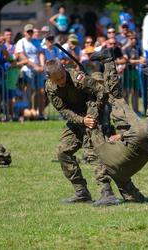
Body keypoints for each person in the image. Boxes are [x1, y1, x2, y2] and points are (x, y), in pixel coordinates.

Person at [89, 49, 148, 206]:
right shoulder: (119, 170)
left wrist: (121, 136)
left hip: (142, 135)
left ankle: (108, 60)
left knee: (116, 97)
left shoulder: (114, 166)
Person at [45, 58, 106, 203]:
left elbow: (101, 92)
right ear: (50, 78)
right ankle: (81, 192)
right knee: (63, 152)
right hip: (76, 120)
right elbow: (63, 110)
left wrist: (93, 115)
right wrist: (81, 120)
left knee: (92, 152)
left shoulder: (78, 78)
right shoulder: (50, 87)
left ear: (64, 69)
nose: (61, 82)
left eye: (62, 77)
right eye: (57, 80)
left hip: (92, 116)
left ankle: (106, 192)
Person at [15, 24, 45, 119]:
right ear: (24, 32)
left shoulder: (37, 41)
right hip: (27, 71)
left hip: (38, 70)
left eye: (31, 31)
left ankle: (40, 113)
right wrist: (36, 66)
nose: (30, 33)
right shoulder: (21, 42)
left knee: (40, 92)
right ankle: (29, 112)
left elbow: (41, 53)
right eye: (28, 31)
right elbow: (22, 56)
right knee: (30, 92)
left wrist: (42, 65)